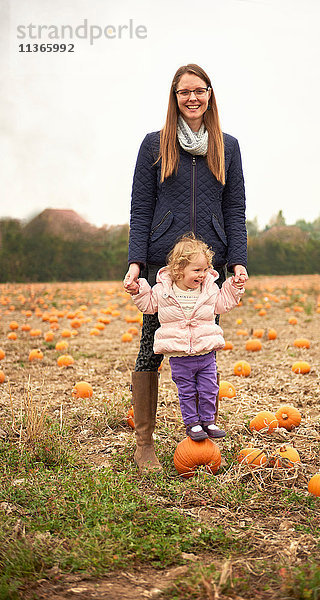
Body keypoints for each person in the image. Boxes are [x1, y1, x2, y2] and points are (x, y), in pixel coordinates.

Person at [123, 63, 248, 471]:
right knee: (151, 350)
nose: (192, 98)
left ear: (210, 94)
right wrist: (136, 262)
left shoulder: (227, 147)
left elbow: (235, 208)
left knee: (202, 350)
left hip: (205, 268)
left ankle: (198, 431)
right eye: (183, 92)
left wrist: (237, 261)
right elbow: (141, 208)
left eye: (199, 90)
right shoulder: (153, 145)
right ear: (174, 98)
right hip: (164, 265)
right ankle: (145, 445)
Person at [130, 235, 246, 442]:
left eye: (205, 269)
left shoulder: (209, 290)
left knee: (209, 389)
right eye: (197, 270)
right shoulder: (163, 291)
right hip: (180, 355)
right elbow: (147, 305)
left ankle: (209, 421)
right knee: (187, 392)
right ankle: (192, 423)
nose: (202, 275)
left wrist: (235, 287)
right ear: (179, 269)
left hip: (205, 353)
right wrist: (138, 290)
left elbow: (224, 303)